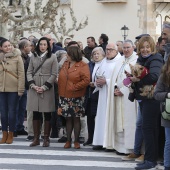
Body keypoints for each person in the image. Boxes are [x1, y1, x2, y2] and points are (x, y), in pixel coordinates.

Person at [128, 36, 164, 170]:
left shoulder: (155, 58)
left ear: (152, 47)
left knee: (148, 129)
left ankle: (150, 160)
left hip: (152, 98)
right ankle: (150, 158)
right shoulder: (141, 59)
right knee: (150, 129)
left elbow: (155, 76)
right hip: (144, 97)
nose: (144, 49)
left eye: (147, 47)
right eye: (142, 47)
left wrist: (138, 81)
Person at [103, 40, 138, 154]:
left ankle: (130, 148)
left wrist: (123, 90)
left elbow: (134, 78)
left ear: (133, 47)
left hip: (129, 97)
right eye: (124, 48)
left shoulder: (136, 60)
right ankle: (120, 147)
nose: (126, 50)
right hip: (118, 95)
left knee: (128, 121)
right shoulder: (120, 60)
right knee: (119, 121)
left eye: (128, 47)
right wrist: (115, 88)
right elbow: (115, 77)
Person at [27, 37, 58, 147]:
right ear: (38, 45)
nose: (42, 46)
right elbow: (29, 72)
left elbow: (54, 74)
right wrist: (33, 85)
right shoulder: (33, 56)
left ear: (48, 46)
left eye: (45, 44)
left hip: (47, 87)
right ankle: (36, 138)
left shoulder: (53, 57)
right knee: (35, 112)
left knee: (47, 112)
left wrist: (45, 87)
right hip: (34, 86)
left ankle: (46, 138)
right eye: (41, 44)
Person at [57, 46, 90, 149]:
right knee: (67, 118)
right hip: (64, 94)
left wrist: (74, 87)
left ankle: (76, 140)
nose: (66, 56)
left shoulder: (83, 65)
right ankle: (68, 140)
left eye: (68, 54)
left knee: (76, 118)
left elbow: (86, 80)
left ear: (73, 54)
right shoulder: (65, 64)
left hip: (76, 95)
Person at [92, 43, 122, 150]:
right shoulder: (104, 61)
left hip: (113, 95)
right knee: (101, 118)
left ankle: (111, 144)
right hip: (103, 93)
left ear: (116, 50)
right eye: (107, 49)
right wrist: (97, 82)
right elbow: (98, 74)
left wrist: (107, 81)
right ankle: (100, 141)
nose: (108, 51)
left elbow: (121, 79)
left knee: (111, 118)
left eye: (110, 49)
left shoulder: (120, 61)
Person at [0, 39, 25, 144]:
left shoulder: (17, 57)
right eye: (5, 46)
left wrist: (20, 89)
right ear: (1, 48)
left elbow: (21, 74)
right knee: (3, 113)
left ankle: (11, 133)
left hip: (13, 89)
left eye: (9, 45)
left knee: (12, 112)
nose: (8, 47)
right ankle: (4, 133)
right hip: (1, 89)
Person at [83, 47, 105, 146]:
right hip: (90, 93)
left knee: (99, 116)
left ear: (103, 55)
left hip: (101, 93)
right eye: (94, 54)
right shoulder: (89, 65)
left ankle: (100, 139)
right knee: (90, 117)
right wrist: (89, 83)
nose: (96, 56)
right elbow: (84, 76)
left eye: (98, 54)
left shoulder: (105, 64)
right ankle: (90, 137)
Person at [154, 56, 170, 170]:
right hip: (168, 114)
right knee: (169, 141)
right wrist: (168, 95)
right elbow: (156, 94)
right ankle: (167, 166)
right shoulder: (164, 76)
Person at [14, 39, 32, 137]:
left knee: (22, 107)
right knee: (16, 107)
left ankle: (20, 127)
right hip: (18, 86)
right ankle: (14, 128)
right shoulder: (17, 57)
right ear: (24, 47)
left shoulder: (27, 57)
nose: (31, 47)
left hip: (25, 86)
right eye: (29, 46)